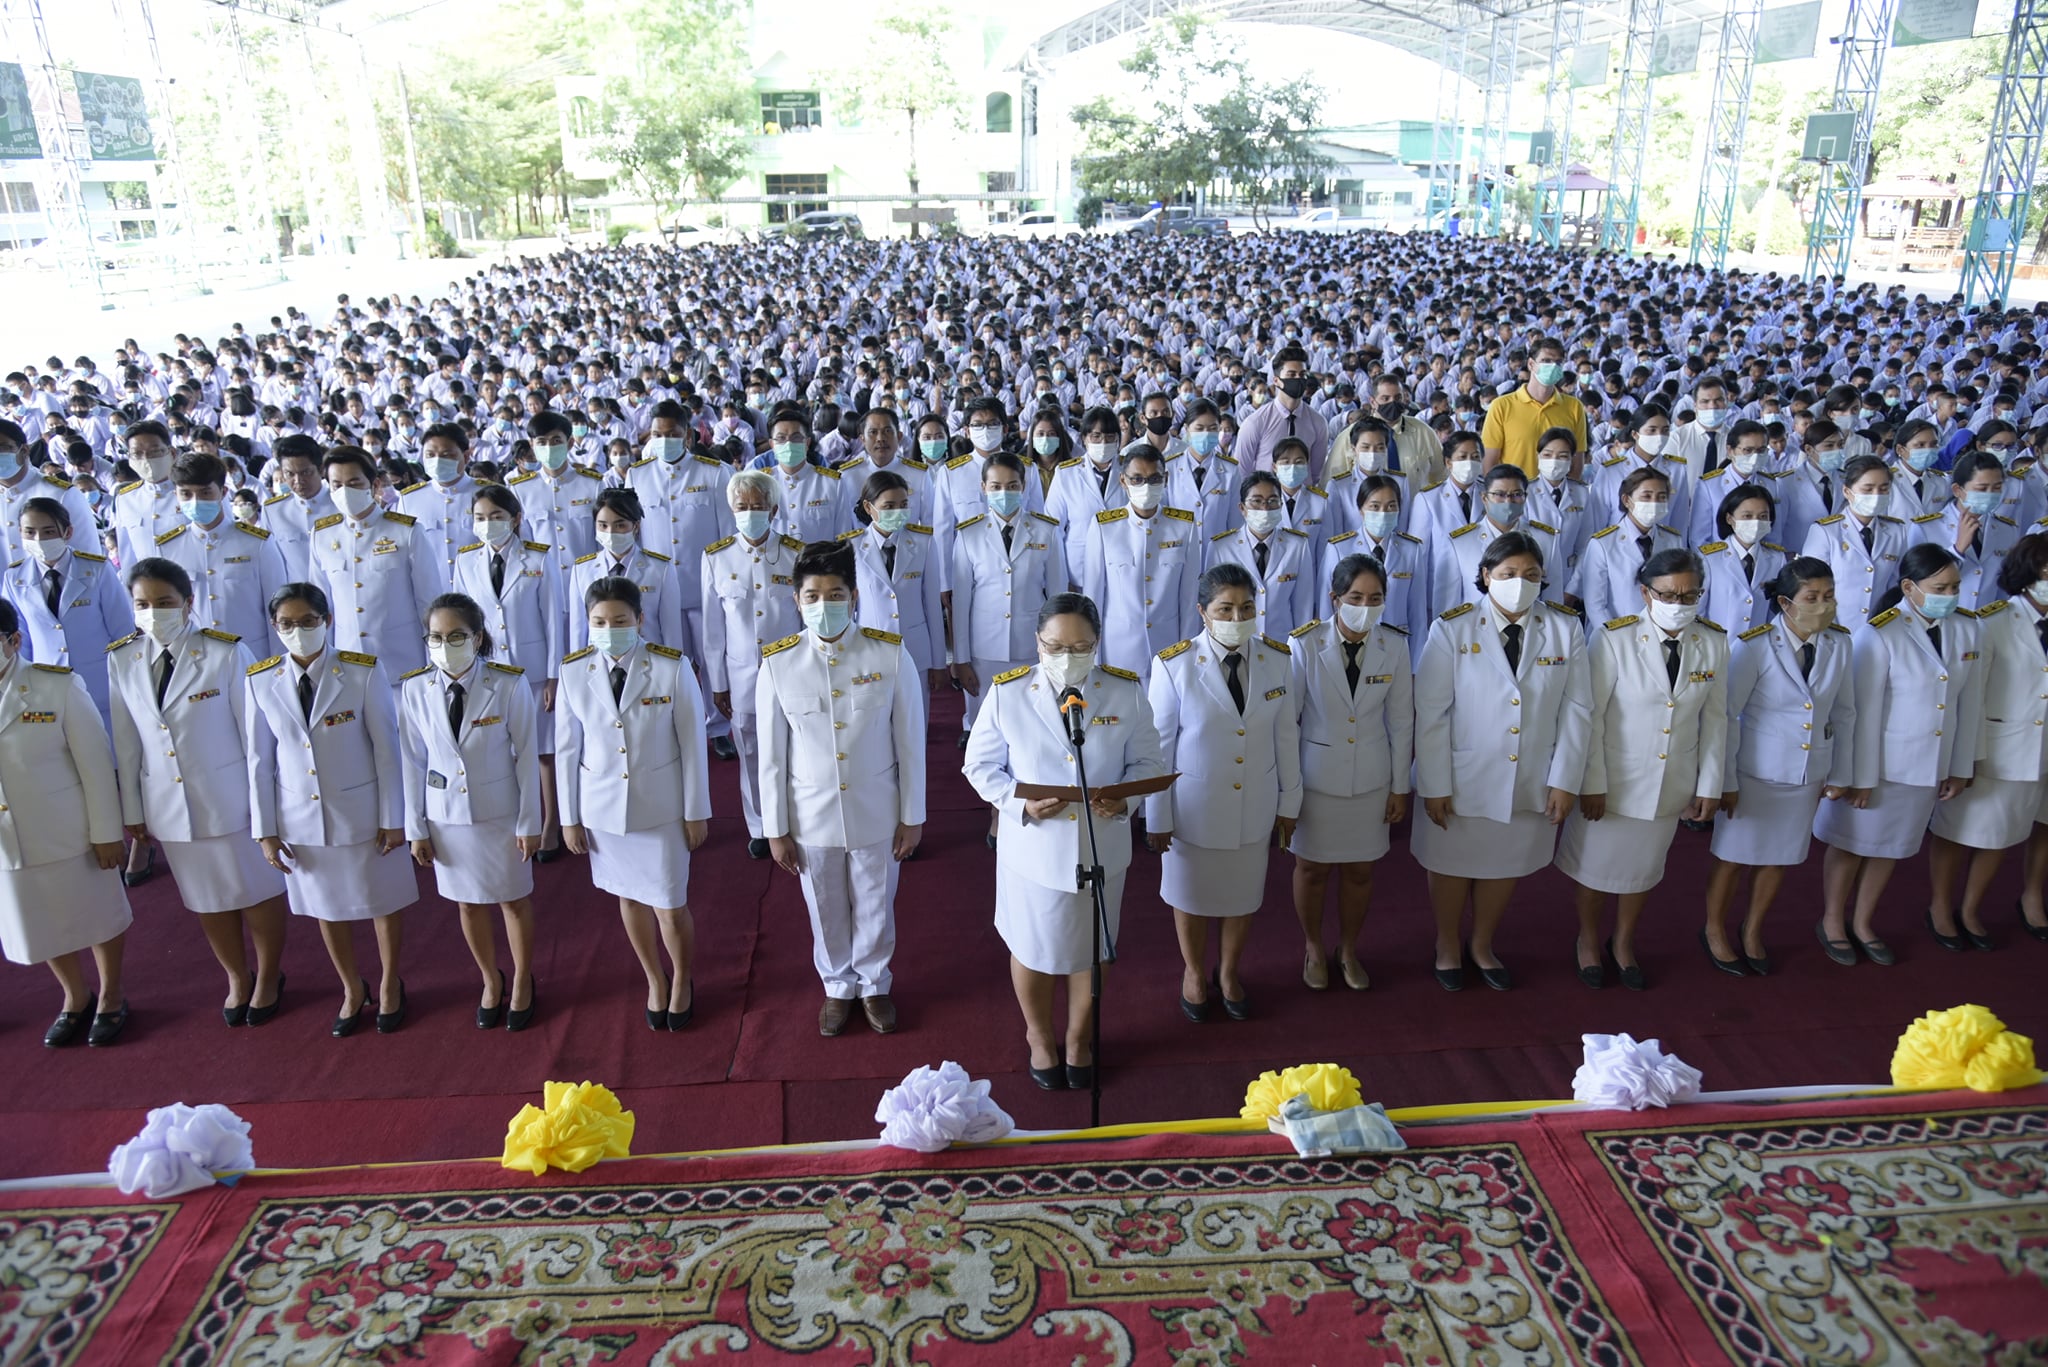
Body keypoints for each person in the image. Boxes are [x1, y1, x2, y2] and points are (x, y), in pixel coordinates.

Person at [963, 593, 1163, 1088]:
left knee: (1094, 948)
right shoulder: (1009, 693)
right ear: (1038, 643)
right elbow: (980, 765)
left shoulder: (1125, 691)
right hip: (1034, 851)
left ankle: (1078, 1037)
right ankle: (1038, 1034)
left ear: (1098, 643)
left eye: (1080, 647)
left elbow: (1148, 762)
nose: (1067, 657)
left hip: (1101, 846)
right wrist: (1017, 803)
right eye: (1055, 647)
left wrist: (1126, 799)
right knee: (1033, 948)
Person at [756, 541, 927, 1035]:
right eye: (812, 596)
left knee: (876, 900)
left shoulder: (888, 653)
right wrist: (776, 828)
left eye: (835, 594)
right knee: (824, 904)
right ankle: (837, 985)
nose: (824, 604)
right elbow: (771, 757)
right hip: (811, 813)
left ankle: (874, 983)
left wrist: (912, 815)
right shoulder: (779, 663)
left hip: (877, 807)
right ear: (797, 600)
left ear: (853, 596)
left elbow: (910, 743)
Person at [109, 557, 288, 1025]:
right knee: (205, 898)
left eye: (164, 602)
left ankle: (269, 975)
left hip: (231, 797)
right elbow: (127, 742)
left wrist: (264, 808)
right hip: (169, 803)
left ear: (188, 603)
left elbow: (255, 739)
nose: (153, 612)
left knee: (257, 891)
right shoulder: (123, 658)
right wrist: (132, 810)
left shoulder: (224, 652)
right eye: (142, 604)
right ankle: (237, 977)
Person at [1413, 532, 1589, 991]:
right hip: (1462, 776)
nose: (1520, 582)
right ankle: (1447, 943)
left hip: (1529, 775)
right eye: (1508, 573)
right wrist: (1434, 784)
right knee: (1451, 863)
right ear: (1486, 575)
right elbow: (1431, 713)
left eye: (1531, 574)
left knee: (1505, 863)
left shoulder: (1565, 628)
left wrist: (1565, 779)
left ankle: (1482, 944)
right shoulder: (1452, 628)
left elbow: (1578, 708)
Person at [245, 582, 418, 1036]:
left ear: (328, 621)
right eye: (286, 624)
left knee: (383, 900)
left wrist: (393, 818)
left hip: (363, 812)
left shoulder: (361, 671)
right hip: (300, 818)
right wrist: (265, 829)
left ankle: (389, 982)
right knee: (327, 906)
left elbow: (387, 749)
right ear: (274, 627)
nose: (298, 631)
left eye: (308, 621)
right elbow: (259, 759)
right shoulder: (260, 679)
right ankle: (351, 987)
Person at [1556, 549, 1728, 990]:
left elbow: (1716, 720)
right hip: (1614, 780)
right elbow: (1590, 716)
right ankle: (1588, 939)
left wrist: (1710, 784)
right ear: (1645, 593)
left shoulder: (1712, 641)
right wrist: (1591, 782)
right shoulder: (1614, 639)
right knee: (1595, 870)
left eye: (1689, 595)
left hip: (1670, 781)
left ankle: (1624, 941)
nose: (1679, 603)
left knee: (1643, 870)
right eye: (1668, 594)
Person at [1144, 563, 1302, 1021]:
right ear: (1202, 612)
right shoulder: (1174, 665)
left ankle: (1230, 971)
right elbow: (1158, 749)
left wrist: (1289, 803)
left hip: (1254, 802)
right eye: (1225, 609)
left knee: (1242, 895)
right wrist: (1157, 817)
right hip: (1193, 808)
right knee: (1190, 896)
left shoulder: (1277, 659)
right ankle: (1194, 972)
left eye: (1247, 608)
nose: (1238, 618)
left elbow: (1286, 737)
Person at [1813, 544, 1984, 966]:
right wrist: (1860, 777)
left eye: (1955, 587)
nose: (1950, 595)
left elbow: (1968, 705)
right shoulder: (1880, 633)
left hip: (1928, 765)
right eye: (1939, 588)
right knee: (1851, 843)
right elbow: (1860, 713)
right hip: (1881, 766)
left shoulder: (1967, 629)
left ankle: (1863, 922)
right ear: (1909, 587)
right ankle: (1832, 920)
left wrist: (1959, 767)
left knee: (1890, 846)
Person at [556, 576, 712, 1030]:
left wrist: (696, 811)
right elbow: (567, 750)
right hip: (604, 810)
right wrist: (569, 819)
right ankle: (654, 978)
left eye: (620, 620)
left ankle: (681, 977)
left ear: (640, 619)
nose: (610, 630)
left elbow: (693, 745)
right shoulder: (573, 671)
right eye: (599, 622)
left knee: (670, 906)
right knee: (628, 899)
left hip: (661, 808)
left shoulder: (670, 666)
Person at [1703, 557, 1857, 975]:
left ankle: (1753, 929)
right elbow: (1726, 716)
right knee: (1733, 856)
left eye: (1829, 596)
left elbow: (1845, 713)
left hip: (1807, 771)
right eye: (1812, 597)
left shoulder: (1839, 643)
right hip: (1755, 773)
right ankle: (1714, 929)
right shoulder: (1754, 646)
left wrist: (1841, 773)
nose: (1824, 605)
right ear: (1786, 603)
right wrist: (1724, 780)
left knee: (1779, 857)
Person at [399, 593, 543, 1030]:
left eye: (457, 636)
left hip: (501, 814)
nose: (446, 645)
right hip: (447, 817)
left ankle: (522, 978)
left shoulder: (508, 683)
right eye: (436, 637)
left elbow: (527, 756)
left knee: (512, 901)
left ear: (478, 638)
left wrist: (530, 821)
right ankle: (490, 979)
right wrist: (415, 828)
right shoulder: (414, 689)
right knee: (468, 905)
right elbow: (411, 761)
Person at [0, 597, 133, 1047]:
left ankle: (111, 993)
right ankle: (75, 996)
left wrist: (107, 832)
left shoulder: (56, 686)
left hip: (67, 829)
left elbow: (96, 765)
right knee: (38, 920)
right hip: (8, 841)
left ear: (14, 641)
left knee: (98, 913)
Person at [1287, 553, 1413, 991]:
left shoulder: (1394, 645)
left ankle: (1348, 948)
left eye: (1375, 598)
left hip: (1371, 779)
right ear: (1335, 598)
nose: (1365, 606)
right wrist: (1288, 791)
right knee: (1312, 870)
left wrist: (1401, 786)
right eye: (1356, 597)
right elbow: (1288, 723)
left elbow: (1402, 721)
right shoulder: (1304, 644)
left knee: (1361, 871)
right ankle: (1313, 947)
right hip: (1316, 779)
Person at [1926, 533, 2048, 951]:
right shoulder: (1991, 622)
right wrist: (1966, 759)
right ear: (2027, 575)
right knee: (1958, 829)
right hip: (1995, 749)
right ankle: (1940, 907)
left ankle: (1971, 908)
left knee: (2004, 833)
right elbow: (1970, 696)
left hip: (2041, 750)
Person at [451, 484, 565, 853]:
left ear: (515, 519)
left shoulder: (538, 558)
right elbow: (463, 619)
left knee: (543, 751)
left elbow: (553, 620)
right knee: (500, 750)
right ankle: (514, 820)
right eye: (480, 518)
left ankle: (551, 822)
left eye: (496, 516)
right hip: (488, 671)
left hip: (534, 671)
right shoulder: (466, 561)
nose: (488, 524)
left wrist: (554, 675)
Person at [702, 472, 805, 859]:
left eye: (758, 506)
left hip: (791, 670)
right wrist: (718, 682)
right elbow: (713, 630)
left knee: (795, 744)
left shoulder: (796, 553)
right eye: (742, 507)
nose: (750, 513)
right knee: (750, 750)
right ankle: (761, 824)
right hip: (742, 672)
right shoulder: (716, 557)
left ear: (773, 511)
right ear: (732, 510)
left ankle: (796, 816)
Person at [951, 452, 1067, 760]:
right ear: (983, 488)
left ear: (1024, 486)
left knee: (1031, 727)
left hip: (1032, 647)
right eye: (996, 486)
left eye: (1012, 485)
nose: (1004, 493)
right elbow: (960, 604)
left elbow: (1057, 598)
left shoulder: (1046, 531)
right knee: (985, 729)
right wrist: (961, 659)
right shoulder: (969, 534)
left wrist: (1055, 650)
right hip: (984, 650)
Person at [310, 445, 441, 678]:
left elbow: (428, 602)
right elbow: (321, 607)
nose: (345, 492)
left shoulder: (406, 531)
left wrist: (434, 664)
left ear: (375, 485)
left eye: (354, 483)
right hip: (347, 663)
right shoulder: (322, 535)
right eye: (337, 485)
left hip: (402, 663)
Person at [1078, 446, 1200, 683]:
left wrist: (1187, 650)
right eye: (1137, 479)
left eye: (1154, 479)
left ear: (1165, 479)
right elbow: (1093, 597)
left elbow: (1189, 597)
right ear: (1123, 481)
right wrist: (1094, 657)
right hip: (1118, 651)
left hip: (1168, 647)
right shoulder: (1104, 527)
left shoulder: (1184, 526)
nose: (1146, 486)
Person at [155, 450, 289, 649]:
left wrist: (278, 663)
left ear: (223, 492)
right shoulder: (167, 548)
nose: (195, 501)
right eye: (186, 494)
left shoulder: (257, 543)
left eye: (205, 492)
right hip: (195, 656)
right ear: (176, 495)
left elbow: (279, 609)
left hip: (250, 655)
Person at [9, 497, 126, 720]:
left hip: (100, 686)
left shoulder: (97, 569)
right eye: (30, 532)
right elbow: (20, 642)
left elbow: (122, 632)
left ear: (68, 532)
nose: (39, 539)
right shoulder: (14, 578)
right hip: (46, 689)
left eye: (48, 531)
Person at [842, 470, 947, 688]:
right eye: (889, 506)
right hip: (869, 651)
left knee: (916, 709)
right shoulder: (852, 547)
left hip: (915, 651)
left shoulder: (923, 542)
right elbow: (849, 610)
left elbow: (932, 607)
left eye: (903, 505)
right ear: (869, 507)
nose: (897, 512)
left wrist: (938, 663)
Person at [568, 487, 685, 651]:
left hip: (647, 657)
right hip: (600, 659)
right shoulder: (582, 570)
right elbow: (578, 629)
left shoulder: (660, 569)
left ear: (636, 526)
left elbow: (671, 629)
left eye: (620, 525)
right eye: (603, 525)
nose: (611, 532)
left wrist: (673, 663)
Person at [1800, 453, 1908, 629]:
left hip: (1880, 628)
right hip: (1835, 627)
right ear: (1847, 492)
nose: (1876, 495)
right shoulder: (1825, 532)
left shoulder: (1896, 531)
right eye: (1868, 489)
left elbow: (1896, 585)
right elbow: (1810, 587)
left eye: (1883, 489)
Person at [1206, 470, 1315, 640]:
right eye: (1256, 501)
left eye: (1272, 501)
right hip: (1237, 641)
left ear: (1281, 506)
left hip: (1282, 643)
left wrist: (1300, 646)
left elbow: (1303, 606)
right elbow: (1212, 605)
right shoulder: (1221, 548)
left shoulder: (1297, 546)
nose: (1265, 508)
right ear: (1242, 508)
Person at [1575, 467, 1684, 627]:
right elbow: (1595, 605)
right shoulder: (1603, 544)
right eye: (1646, 496)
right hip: (1614, 633)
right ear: (1627, 500)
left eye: (1661, 497)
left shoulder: (1673, 540)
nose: (1654, 503)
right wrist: (1618, 637)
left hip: (1660, 631)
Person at [1911, 451, 2019, 611]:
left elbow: (2005, 587)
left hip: (1989, 620)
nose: (1990, 494)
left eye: (1997, 488)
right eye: (1981, 488)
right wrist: (1957, 549)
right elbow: (1916, 584)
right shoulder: (1926, 529)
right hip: (1944, 618)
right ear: (1957, 490)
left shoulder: (2007, 529)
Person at [1481, 336, 1588, 476]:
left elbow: (1577, 463)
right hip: (1515, 489)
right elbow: (1489, 463)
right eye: (1546, 361)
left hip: (1557, 489)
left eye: (1558, 362)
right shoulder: (1501, 406)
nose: (1552, 366)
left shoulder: (1574, 407)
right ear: (1531, 364)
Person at [1697, 483, 1788, 635]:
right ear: (1729, 518)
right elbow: (1698, 611)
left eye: (1763, 516)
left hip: (1758, 645)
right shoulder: (1709, 559)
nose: (1756, 522)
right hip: (1718, 644)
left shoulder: (1777, 559)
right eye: (1747, 516)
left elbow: (1775, 614)